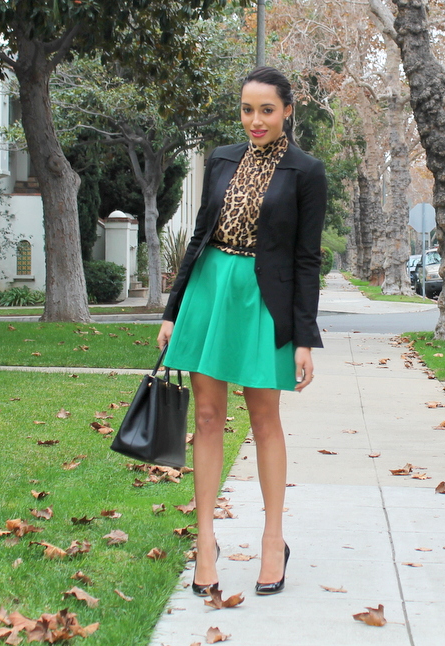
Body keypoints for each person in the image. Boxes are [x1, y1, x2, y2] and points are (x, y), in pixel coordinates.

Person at [157, 66, 327, 597]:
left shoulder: (307, 171)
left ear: (288, 111)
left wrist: (304, 338)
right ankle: (205, 541)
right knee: (207, 418)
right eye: (248, 110)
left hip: (263, 299)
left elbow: (307, 259)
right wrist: (172, 310)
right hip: (210, 291)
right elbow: (199, 235)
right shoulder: (222, 159)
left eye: (267, 110)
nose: (256, 120)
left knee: (264, 419)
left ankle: (273, 540)